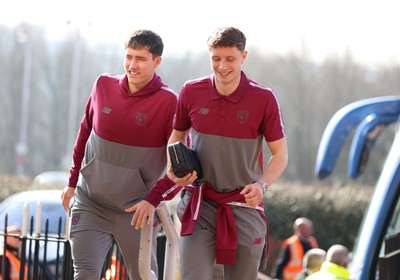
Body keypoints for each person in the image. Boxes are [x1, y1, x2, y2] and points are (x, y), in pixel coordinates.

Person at [129, 26, 288, 280]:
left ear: (243, 57)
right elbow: (177, 136)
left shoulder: (264, 98)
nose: (222, 66)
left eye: (229, 59)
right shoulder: (192, 91)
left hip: (244, 205)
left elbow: (280, 154)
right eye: (216, 58)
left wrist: (262, 185)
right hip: (200, 204)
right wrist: (175, 164)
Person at [61, 29, 178, 279]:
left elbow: (180, 168)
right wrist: (72, 182)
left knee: (144, 276)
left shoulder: (169, 103)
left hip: (136, 212)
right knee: (84, 274)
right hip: (90, 202)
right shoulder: (103, 84)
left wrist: (154, 199)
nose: (132, 65)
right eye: (128, 57)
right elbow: (84, 134)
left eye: (140, 59)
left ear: (157, 62)